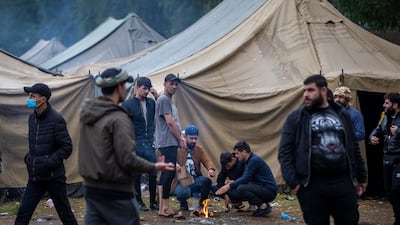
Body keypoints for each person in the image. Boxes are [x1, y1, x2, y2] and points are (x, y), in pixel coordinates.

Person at [78, 68, 174, 225]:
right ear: (119, 87)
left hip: (92, 186)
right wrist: (155, 166)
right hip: (115, 189)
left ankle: (150, 201)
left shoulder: (88, 112)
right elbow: (127, 159)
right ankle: (139, 200)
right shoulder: (119, 116)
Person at [278, 74, 367, 225]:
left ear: (323, 90)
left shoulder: (342, 114)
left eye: (311, 90)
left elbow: (353, 147)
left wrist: (361, 177)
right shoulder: (296, 117)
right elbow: (285, 151)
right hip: (312, 185)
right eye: (305, 90)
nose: (306, 94)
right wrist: (293, 182)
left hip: (342, 183)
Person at [15, 83, 78, 225]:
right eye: (29, 96)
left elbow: (67, 147)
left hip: (53, 177)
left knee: (65, 214)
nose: (29, 99)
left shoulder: (56, 119)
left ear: (43, 100)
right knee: (23, 214)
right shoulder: (32, 119)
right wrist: (29, 159)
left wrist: (49, 161)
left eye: (32, 96)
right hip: (35, 177)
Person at [122, 77, 159, 211]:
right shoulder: (128, 105)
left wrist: (157, 96)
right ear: (137, 87)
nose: (146, 91)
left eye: (148, 89)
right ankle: (138, 201)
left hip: (149, 142)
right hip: (135, 142)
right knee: (136, 174)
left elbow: (162, 113)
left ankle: (153, 202)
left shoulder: (152, 103)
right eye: (144, 88)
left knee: (153, 173)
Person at [216, 140, 277, 217]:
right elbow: (245, 177)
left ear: (244, 152)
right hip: (262, 188)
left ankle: (263, 206)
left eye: (237, 153)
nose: (236, 156)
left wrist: (229, 186)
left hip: (269, 190)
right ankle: (261, 205)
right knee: (241, 187)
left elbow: (246, 178)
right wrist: (233, 183)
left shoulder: (254, 160)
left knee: (242, 188)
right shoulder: (248, 161)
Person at [369, 93, 400, 225]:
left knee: (397, 189)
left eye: (387, 103)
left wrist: (399, 132)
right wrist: (373, 137)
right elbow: (377, 130)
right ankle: (398, 215)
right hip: (387, 157)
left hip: (399, 158)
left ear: (395, 105)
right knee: (389, 191)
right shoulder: (385, 117)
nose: (384, 105)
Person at [155, 73, 182, 217]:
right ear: (165, 83)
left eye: (176, 84)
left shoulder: (168, 100)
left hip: (168, 141)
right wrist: (180, 138)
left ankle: (162, 207)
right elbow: (170, 122)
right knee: (169, 172)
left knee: (166, 173)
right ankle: (164, 207)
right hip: (168, 141)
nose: (174, 86)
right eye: (171, 83)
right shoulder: (164, 99)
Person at [173, 125, 216, 212]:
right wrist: (175, 165)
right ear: (185, 137)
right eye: (191, 138)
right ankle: (183, 203)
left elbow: (207, 161)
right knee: (183, 193)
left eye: (195, 138)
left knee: (207, 181)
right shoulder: (177, 148)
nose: (194, 141)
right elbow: (169, 160)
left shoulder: (199, 149)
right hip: (181, 180)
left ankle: (202, 205)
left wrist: (211, 169)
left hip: (195, 179)